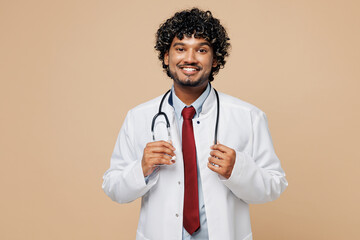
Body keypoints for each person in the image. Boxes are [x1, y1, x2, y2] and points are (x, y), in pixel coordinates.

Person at [102, 8, 288, 240]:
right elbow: (113, 188)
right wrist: (141, 169)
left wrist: (238, 169)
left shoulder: (249, 116)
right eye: (180, 49)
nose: (189, 58)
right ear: (166, 56)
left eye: (201, 50)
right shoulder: (138, 117)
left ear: (215, 59)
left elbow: (274, 185)